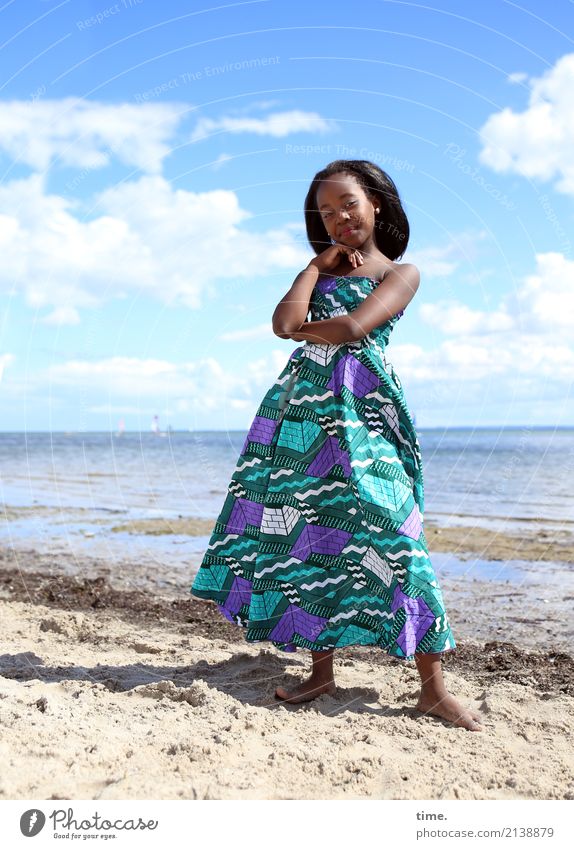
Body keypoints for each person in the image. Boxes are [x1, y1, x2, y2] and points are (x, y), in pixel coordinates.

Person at [191, 159, 483, 732]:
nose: (339, 218)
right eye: (326, 212)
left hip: (363, 411)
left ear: (376, 202)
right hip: (299, 414)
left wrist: (300, 331)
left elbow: (352, 328)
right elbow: (282, 318)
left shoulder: (401, 273)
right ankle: (321, 674)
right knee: (307, 536)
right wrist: (311, 267)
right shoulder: (319, 272)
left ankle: (431, 689)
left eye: (348, 204)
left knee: (397, 534)